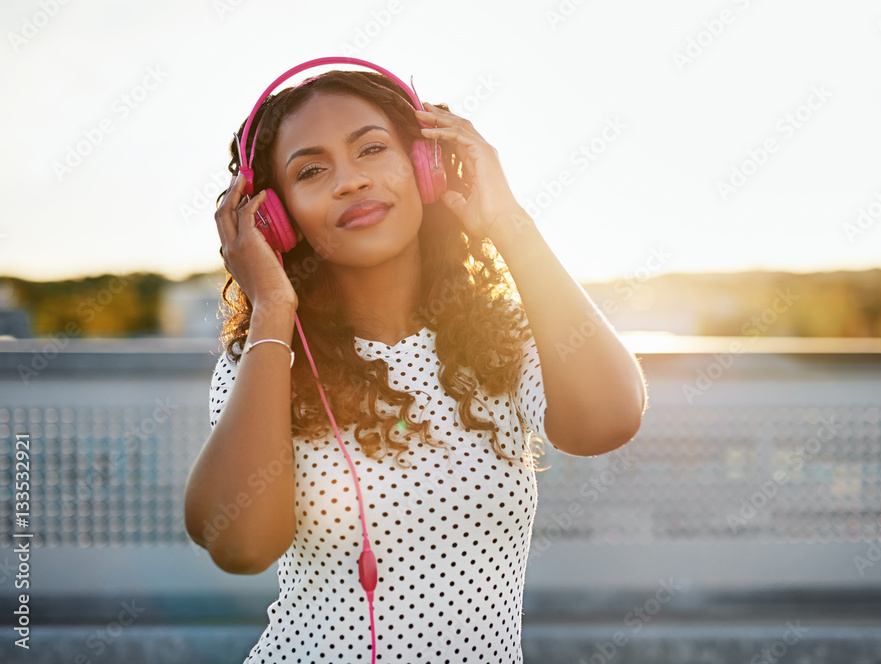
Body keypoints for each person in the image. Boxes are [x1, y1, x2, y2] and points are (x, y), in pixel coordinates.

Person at [184, 64, 647, 663]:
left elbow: (607, 421)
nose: (349, 181)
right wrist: (273, 308)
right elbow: (240, 544)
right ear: (276, 218)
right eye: (312, 170)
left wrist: (509, 220)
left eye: (372, 149)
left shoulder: (501, 339)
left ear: (426, 167)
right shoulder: (268, 361)